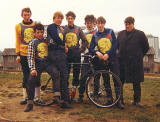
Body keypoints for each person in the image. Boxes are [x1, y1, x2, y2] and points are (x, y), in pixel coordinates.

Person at [89, 16, 124, 109]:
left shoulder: (110, 32)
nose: (100, 25)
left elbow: (115, 44)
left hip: (112, 58)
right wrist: (97, 52)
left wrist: (108, 54)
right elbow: (90, 48)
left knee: (116, 79)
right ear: (96, 24)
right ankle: (109, 99)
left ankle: (119, 100)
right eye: (98, 23)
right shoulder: (95, 35)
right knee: (106, 79)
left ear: (104, 23)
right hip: (102, 60)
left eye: (102, 23)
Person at [24, 23, 60, 112]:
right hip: (38, 64)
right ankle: (30, 102)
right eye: (38, 32)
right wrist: (33, 69)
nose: (40, 34)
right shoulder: (32, 43)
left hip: (47, 63)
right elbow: (30, 57)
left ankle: (56, 96)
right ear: (34, 33)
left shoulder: (46, 40)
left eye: (41, 32)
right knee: (31, 79)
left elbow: (54, 44)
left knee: (56, 73)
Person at [117, 16, 149, 107]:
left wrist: (139, 55)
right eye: (126, 24)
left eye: (129, 24)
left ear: (133, 24)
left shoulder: (140, 34)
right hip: (122, 62)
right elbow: (118, 46)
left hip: (135, 62)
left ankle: (137, 101)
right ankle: (120, 100)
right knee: (120, 81)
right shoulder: (120, 34)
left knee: (136, 82)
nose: (127, 26)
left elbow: (146, 47)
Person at [15, 7, 40, 105]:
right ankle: (25, 97)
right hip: (23, 54)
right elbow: (17, 40)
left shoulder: (35, 24)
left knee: (36, 74)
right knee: (26, 75)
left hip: (34, 53)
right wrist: (18, 54)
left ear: (30, 15)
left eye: (28, 14)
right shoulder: (18, 26)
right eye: (25, 15)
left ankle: (37, 97)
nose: (26, 16)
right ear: (22, 15)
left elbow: (39, 36)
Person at [47, 11, 71, 108]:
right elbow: (56, 38)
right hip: (55, 54)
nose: (60, 19)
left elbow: (61, 39)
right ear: (54, 18)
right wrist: (64, 45)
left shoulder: (61, 28)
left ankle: (61, 97)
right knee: (64, 76)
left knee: (61, 76)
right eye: (58, 17)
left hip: (60, 53)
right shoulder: (51, 26)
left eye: (61, 18)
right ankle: (65, 101)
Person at [64, 11, 88, 98]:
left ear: (74, 19)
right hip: (66, 54)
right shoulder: (64, 29)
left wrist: (81, 50)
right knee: (65, 73)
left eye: (72, 18)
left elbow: (85, 41)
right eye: (68, 18)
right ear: (66, 19)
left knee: (76, 73)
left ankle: (73, 91)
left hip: (76, 54)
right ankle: (65, 92)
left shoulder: (78, 29)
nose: (70, 20)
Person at [78, 14, 97, 103]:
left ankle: (93, 93)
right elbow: (81, 44)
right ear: (85, 23)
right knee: (83, 77)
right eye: (87, 23)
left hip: (95, 56)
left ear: (94, 23)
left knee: (95, 76)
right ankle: (81, 95)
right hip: (86, 56)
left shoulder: (97, 32)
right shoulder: (83, 32)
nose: (89, 25)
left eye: (91, 23)